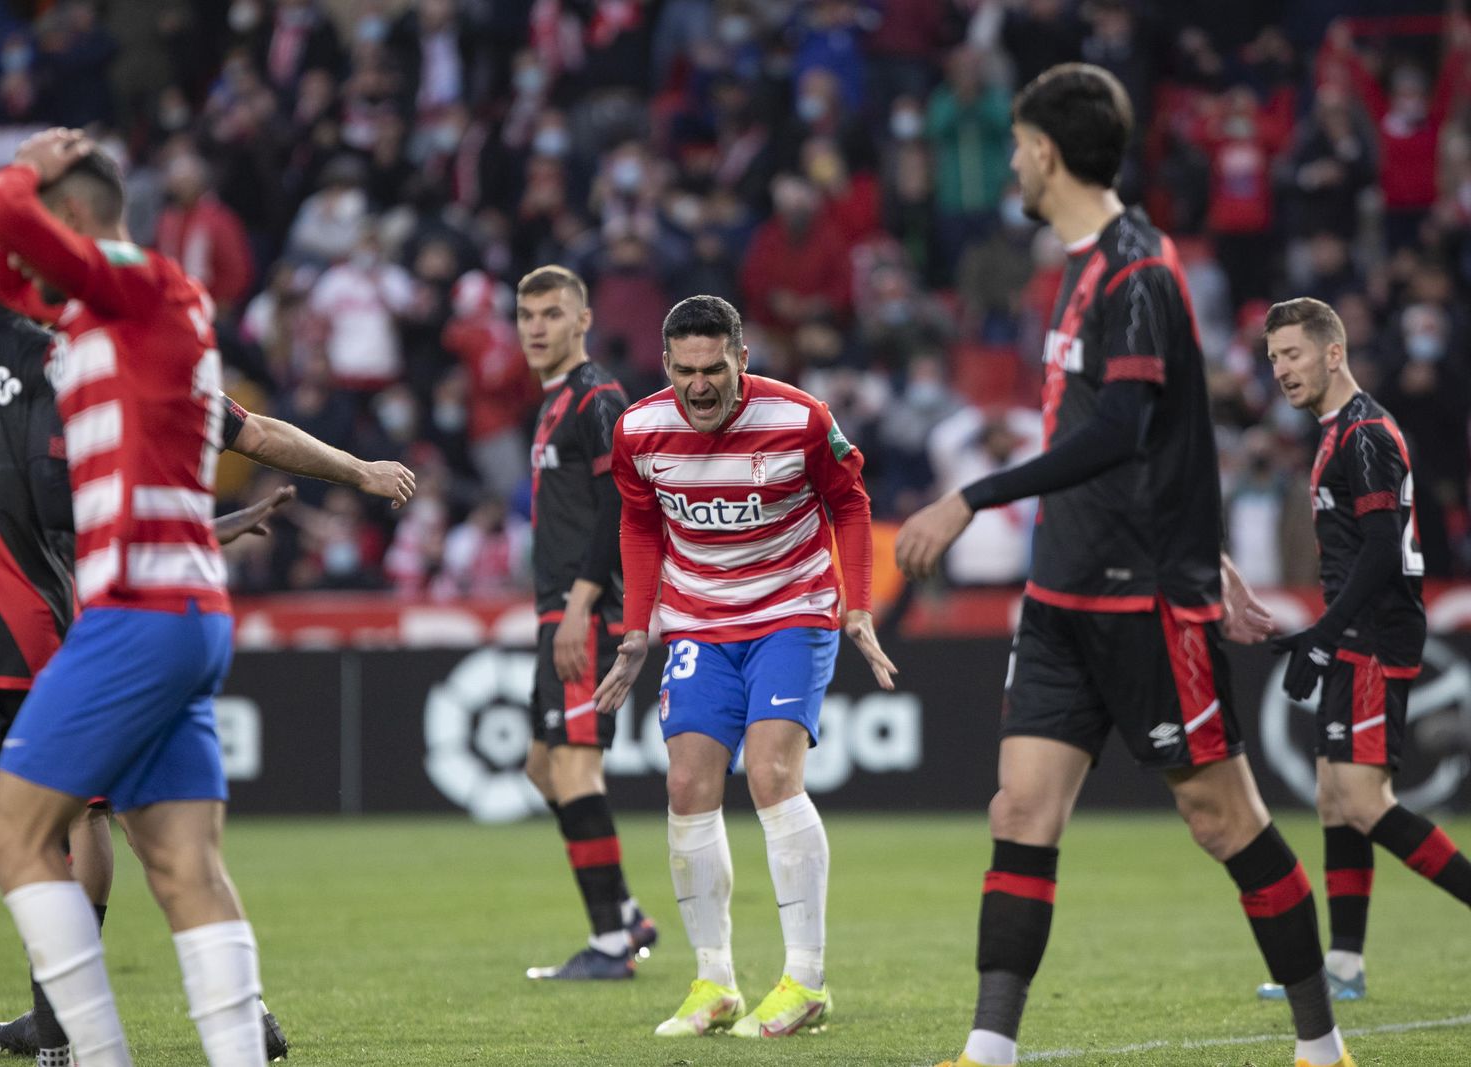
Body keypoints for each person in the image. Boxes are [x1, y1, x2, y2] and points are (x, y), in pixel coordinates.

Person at [893, 65, 1353, 1067]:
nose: (1012, 163)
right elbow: (1168, 435)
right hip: (1059, 593)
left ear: (1046, 152)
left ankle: (1323, 1047)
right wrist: (1208, 541)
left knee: (1222, 818)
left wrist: (971, 496)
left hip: (1143, 604)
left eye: (1017, 146)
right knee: (1020, 809)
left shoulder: (1138, 269)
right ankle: (987, 1048)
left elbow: (1124, 429)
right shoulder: (1081, 264)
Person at [0, 212, 298, 1067]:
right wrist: (222, 519)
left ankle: (8, 1043)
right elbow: (88, 501)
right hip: (64, 626)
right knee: (121, 826)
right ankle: (99, 1029)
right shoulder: (74, 354)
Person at [0, 126, 258, 1067]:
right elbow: (13, 274)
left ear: (74, 216)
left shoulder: (138, 282)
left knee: (12, 837)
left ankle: (98, 1057)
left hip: (137, 609)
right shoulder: (115, 311)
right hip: (181, 612)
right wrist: (15, 227)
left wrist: (28, 166)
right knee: (182, 865)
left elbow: (6, 209)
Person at [593, 294, 898, 1039]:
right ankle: (715, 982)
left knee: (770, 773)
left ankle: (806, 981)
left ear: (742, 360)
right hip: (698, 621)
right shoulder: (637, 431)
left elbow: (851, 504)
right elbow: (640, 522)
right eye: (685, 370)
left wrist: (858, 605)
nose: (699, 385)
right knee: (687, 784)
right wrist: (637, 627)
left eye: (714, 368)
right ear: (666, 365)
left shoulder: (801, 419)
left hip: (793, 610)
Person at [1256, 297, 1471, 1002]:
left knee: (1363, 801)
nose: (1281, 369)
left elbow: (1382, 549)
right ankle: (1344, 966)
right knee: (1331, 798)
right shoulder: (1335, 430)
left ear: (1333, 352)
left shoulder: (1366, 432)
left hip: (1373, 637)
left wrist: (1326, 634)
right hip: (1355, 632)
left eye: (1292, 354)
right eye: (1273, 357)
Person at [514, 265, 657, 981]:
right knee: (543, 765)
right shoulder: (555, 402)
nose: (536, 327)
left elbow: (621, 505)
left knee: (573, 766)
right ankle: (625, 913)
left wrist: (580, 603)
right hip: (558, 611)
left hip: (585, 610)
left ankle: (608, 944)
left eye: (551, 313)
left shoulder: (597, 395)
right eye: (526, 314)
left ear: (583, 320)